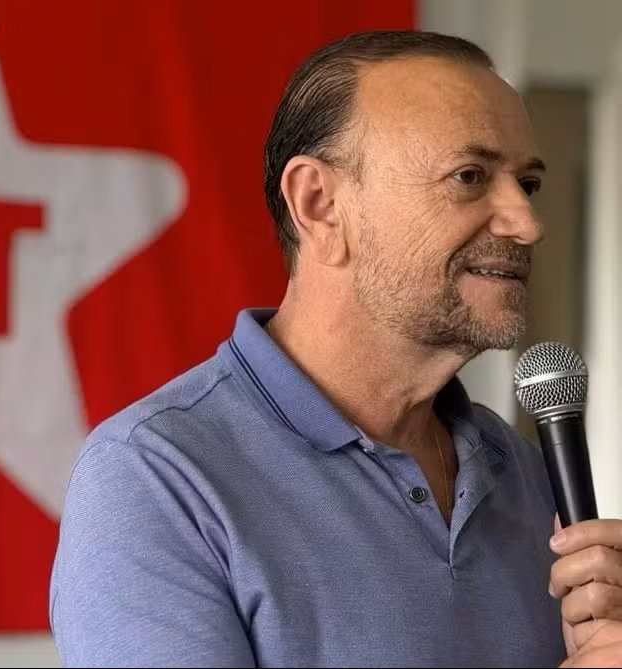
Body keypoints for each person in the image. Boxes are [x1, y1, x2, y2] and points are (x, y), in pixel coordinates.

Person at [49, 30, 622, 667]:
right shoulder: (154, 479)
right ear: (319, 205)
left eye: (529, 184)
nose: (527, 223)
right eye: (469, 177)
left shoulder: (526, 473)